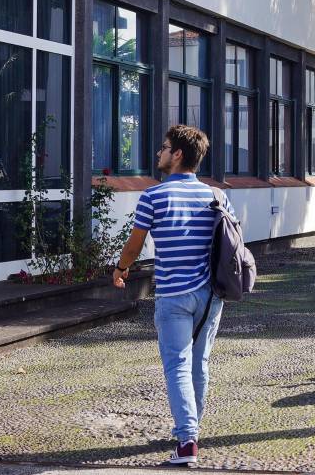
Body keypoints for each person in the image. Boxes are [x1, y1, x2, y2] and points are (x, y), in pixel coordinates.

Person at [112, 124, 222, 466]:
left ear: (177, 155)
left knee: (177, 365)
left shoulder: (153, 196)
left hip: (173, 295)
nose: (158, 153)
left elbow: (135, 243)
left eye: (163, 147)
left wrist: (121, 269)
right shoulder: (215, 196)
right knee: (198, 364)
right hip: (210, 295)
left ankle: (187, 440)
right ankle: (191, 430)